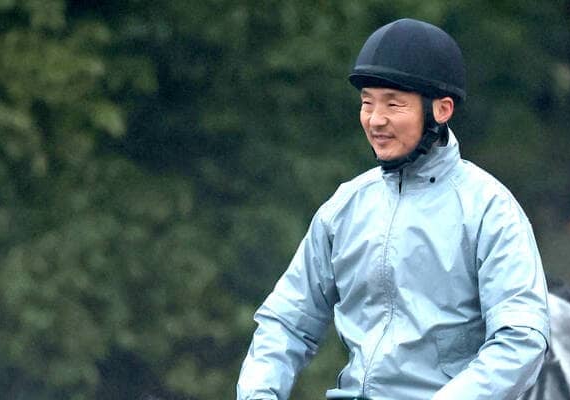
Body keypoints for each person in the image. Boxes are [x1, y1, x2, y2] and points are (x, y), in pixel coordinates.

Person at [236, 18, 550, 400]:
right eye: (367, 102)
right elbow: (286, 321)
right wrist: (258, 394)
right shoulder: (344, 207)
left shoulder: (491, 211)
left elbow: (521, 339)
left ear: (442, 109)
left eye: (393, 104)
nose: (375, 119)